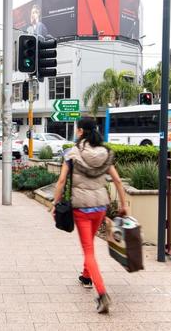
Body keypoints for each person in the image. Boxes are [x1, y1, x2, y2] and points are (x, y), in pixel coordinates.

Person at [51, 117, 129, 313]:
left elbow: (61, 181)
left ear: (80, 132)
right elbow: (118, 181)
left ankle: (102, 294)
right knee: (90, 244)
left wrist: (55, 203)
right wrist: (123, 204)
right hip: (100, 207)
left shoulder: (72, 153)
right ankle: (86, 276)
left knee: (88, 250)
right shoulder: (105, 153)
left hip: (82, 209)